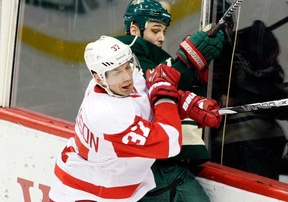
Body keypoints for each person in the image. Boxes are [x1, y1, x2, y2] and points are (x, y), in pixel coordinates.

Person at [49, 35, 222, 201]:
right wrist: (166, 97)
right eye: (116, 72)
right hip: (82, 195)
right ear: (98, 77)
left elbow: (148, 95)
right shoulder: (106, 114)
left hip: (108, 188)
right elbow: (168, 142)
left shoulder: (113, 85)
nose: (126, 77)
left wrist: (184, 102)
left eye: (127, 66)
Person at [115, 0, 224, 201]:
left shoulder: (156, 59)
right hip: (137, 169)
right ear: (134, 29)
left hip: (172, 167)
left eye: (164, 31)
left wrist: (193, 74)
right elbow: (149, 91)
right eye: (155, 30)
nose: (162, 38)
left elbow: (166, 87)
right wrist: (187, 63)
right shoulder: (117, 62)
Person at [210, 0, 288, 180]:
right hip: (225, 145)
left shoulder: (250, 48)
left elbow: (277, 101)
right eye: (220, 26)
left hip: (259, 140)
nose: (226, 31)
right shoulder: (198, 59)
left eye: (228, 24)